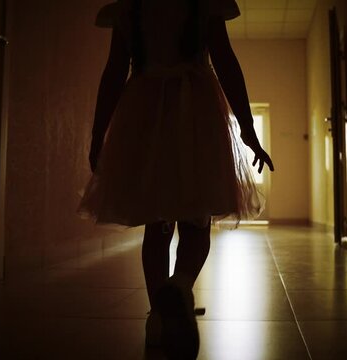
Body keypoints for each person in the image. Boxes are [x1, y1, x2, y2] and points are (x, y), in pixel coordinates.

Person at [78, 0, 274, 358]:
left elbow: (114, 72)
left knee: (157, 220)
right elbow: (226, 62)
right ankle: (181, 288)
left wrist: (98, 135)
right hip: (195, 108)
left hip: (143, 110)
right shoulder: (205, 4)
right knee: (197, 219)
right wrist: (246, 128)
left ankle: (158, 318)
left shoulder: (127, 9)